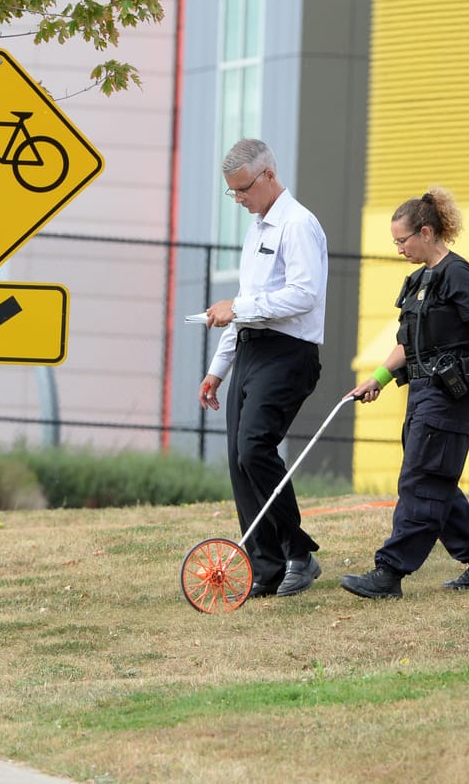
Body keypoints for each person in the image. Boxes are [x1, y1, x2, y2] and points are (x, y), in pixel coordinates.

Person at [340, 186, 469, 600]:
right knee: (436, 479)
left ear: (427, 233)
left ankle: (389, 572)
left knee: (421, 479)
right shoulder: (418, 281)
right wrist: (378, 379)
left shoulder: (457, 273)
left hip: (449, 393)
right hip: (421, 390)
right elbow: (407, 342)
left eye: (402, 240)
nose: (399, 249)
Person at [198, 138, 328, 598]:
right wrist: (218, 369)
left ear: (269, 175)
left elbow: (304, 294)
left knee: (255, 447)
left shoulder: (299, 224)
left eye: (243, 189)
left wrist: (237, 307)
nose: (238, 199)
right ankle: (266, 566)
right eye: (232, 191)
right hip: (251, 351)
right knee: (239, 458)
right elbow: (245, 306)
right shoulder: (256, 230)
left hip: (289, 353)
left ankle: (299, 553)